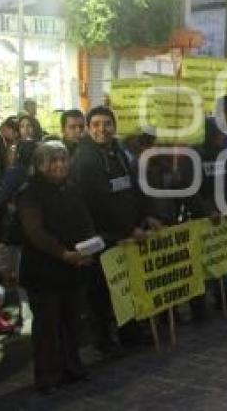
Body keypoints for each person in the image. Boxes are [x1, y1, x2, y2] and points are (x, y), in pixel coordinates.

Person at [70, 106, 159, 356]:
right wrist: (129, 228)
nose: (102, 129)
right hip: (101, 236)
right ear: (88, 128)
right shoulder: (85, 158)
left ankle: (130, 334)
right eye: (96, 124)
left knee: (125, 286)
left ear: (114, 127)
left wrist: (146, 217)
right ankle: (104, 341)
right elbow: (100, 203)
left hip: (125, 234)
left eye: (107, 123)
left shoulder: (117, 152)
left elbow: (132, 188)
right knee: (101, 292)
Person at [17, 142, 94, 394]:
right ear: (40, 165)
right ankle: (48, 377)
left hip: (72, 268)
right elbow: (35, 232)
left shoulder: (71, 188)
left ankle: (73, 368)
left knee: (72, 322)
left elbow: (85, 221)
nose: (60, 165)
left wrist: (88, 250)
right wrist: (63, 253)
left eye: (63, 159)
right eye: (53, 161)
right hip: (44, 271)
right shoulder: (30, 193)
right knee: (47, 328)